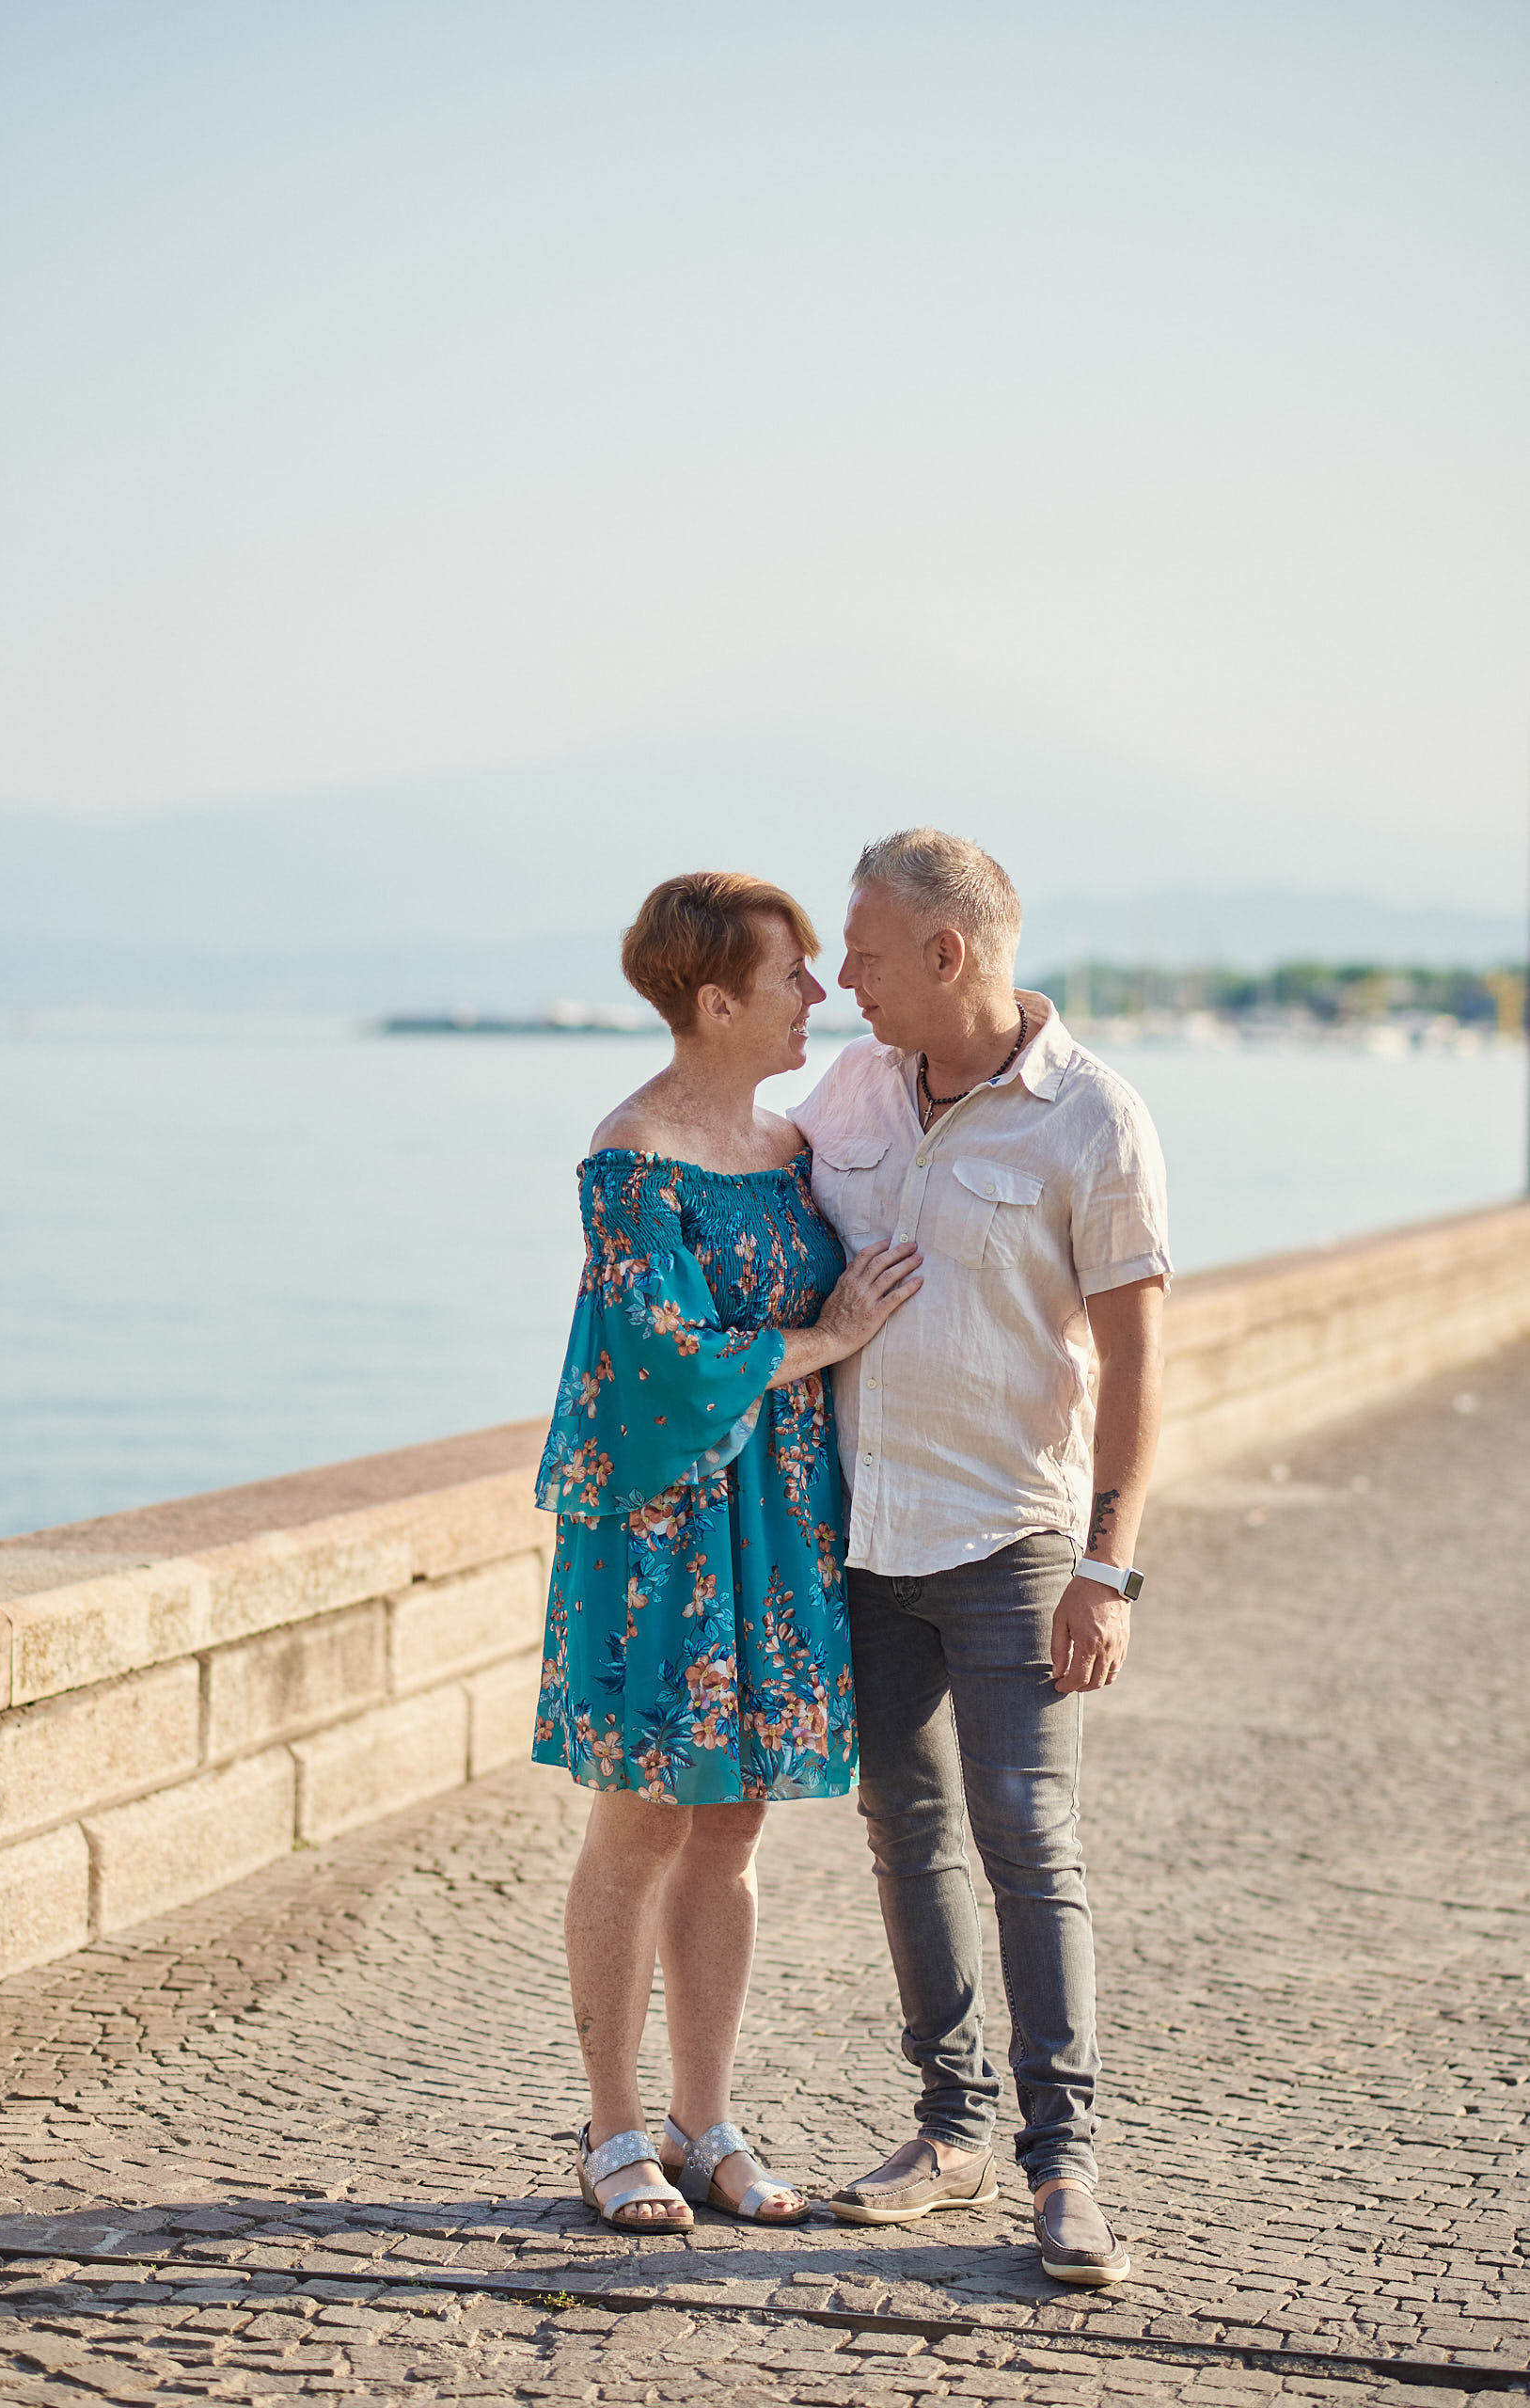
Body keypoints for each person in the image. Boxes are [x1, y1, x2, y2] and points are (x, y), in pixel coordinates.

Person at [790, 828, 1171, 2288]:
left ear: (948, 955)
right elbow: (746, 1176)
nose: (841, 982)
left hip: (1013, 1536)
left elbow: (1139, 1357)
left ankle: (1061, 2166)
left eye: (867, 955)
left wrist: (1107, 1565)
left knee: (1029, 1836)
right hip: (865, 1540)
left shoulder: (1092, 1119)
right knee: (907, 1836)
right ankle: (944, 2136)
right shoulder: (851, 1089)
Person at [532, 870, 923, 2233]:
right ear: (713, 1000)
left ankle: (709, 2119)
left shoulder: (786, 1143)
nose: (816, 995)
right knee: (638, 1823)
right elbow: (655, 1366)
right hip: (660, 1534)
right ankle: (613, 2128)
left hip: (774, 1527)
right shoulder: (629, 1156)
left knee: (734, 1824)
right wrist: (826, 1341)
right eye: (790, 978)